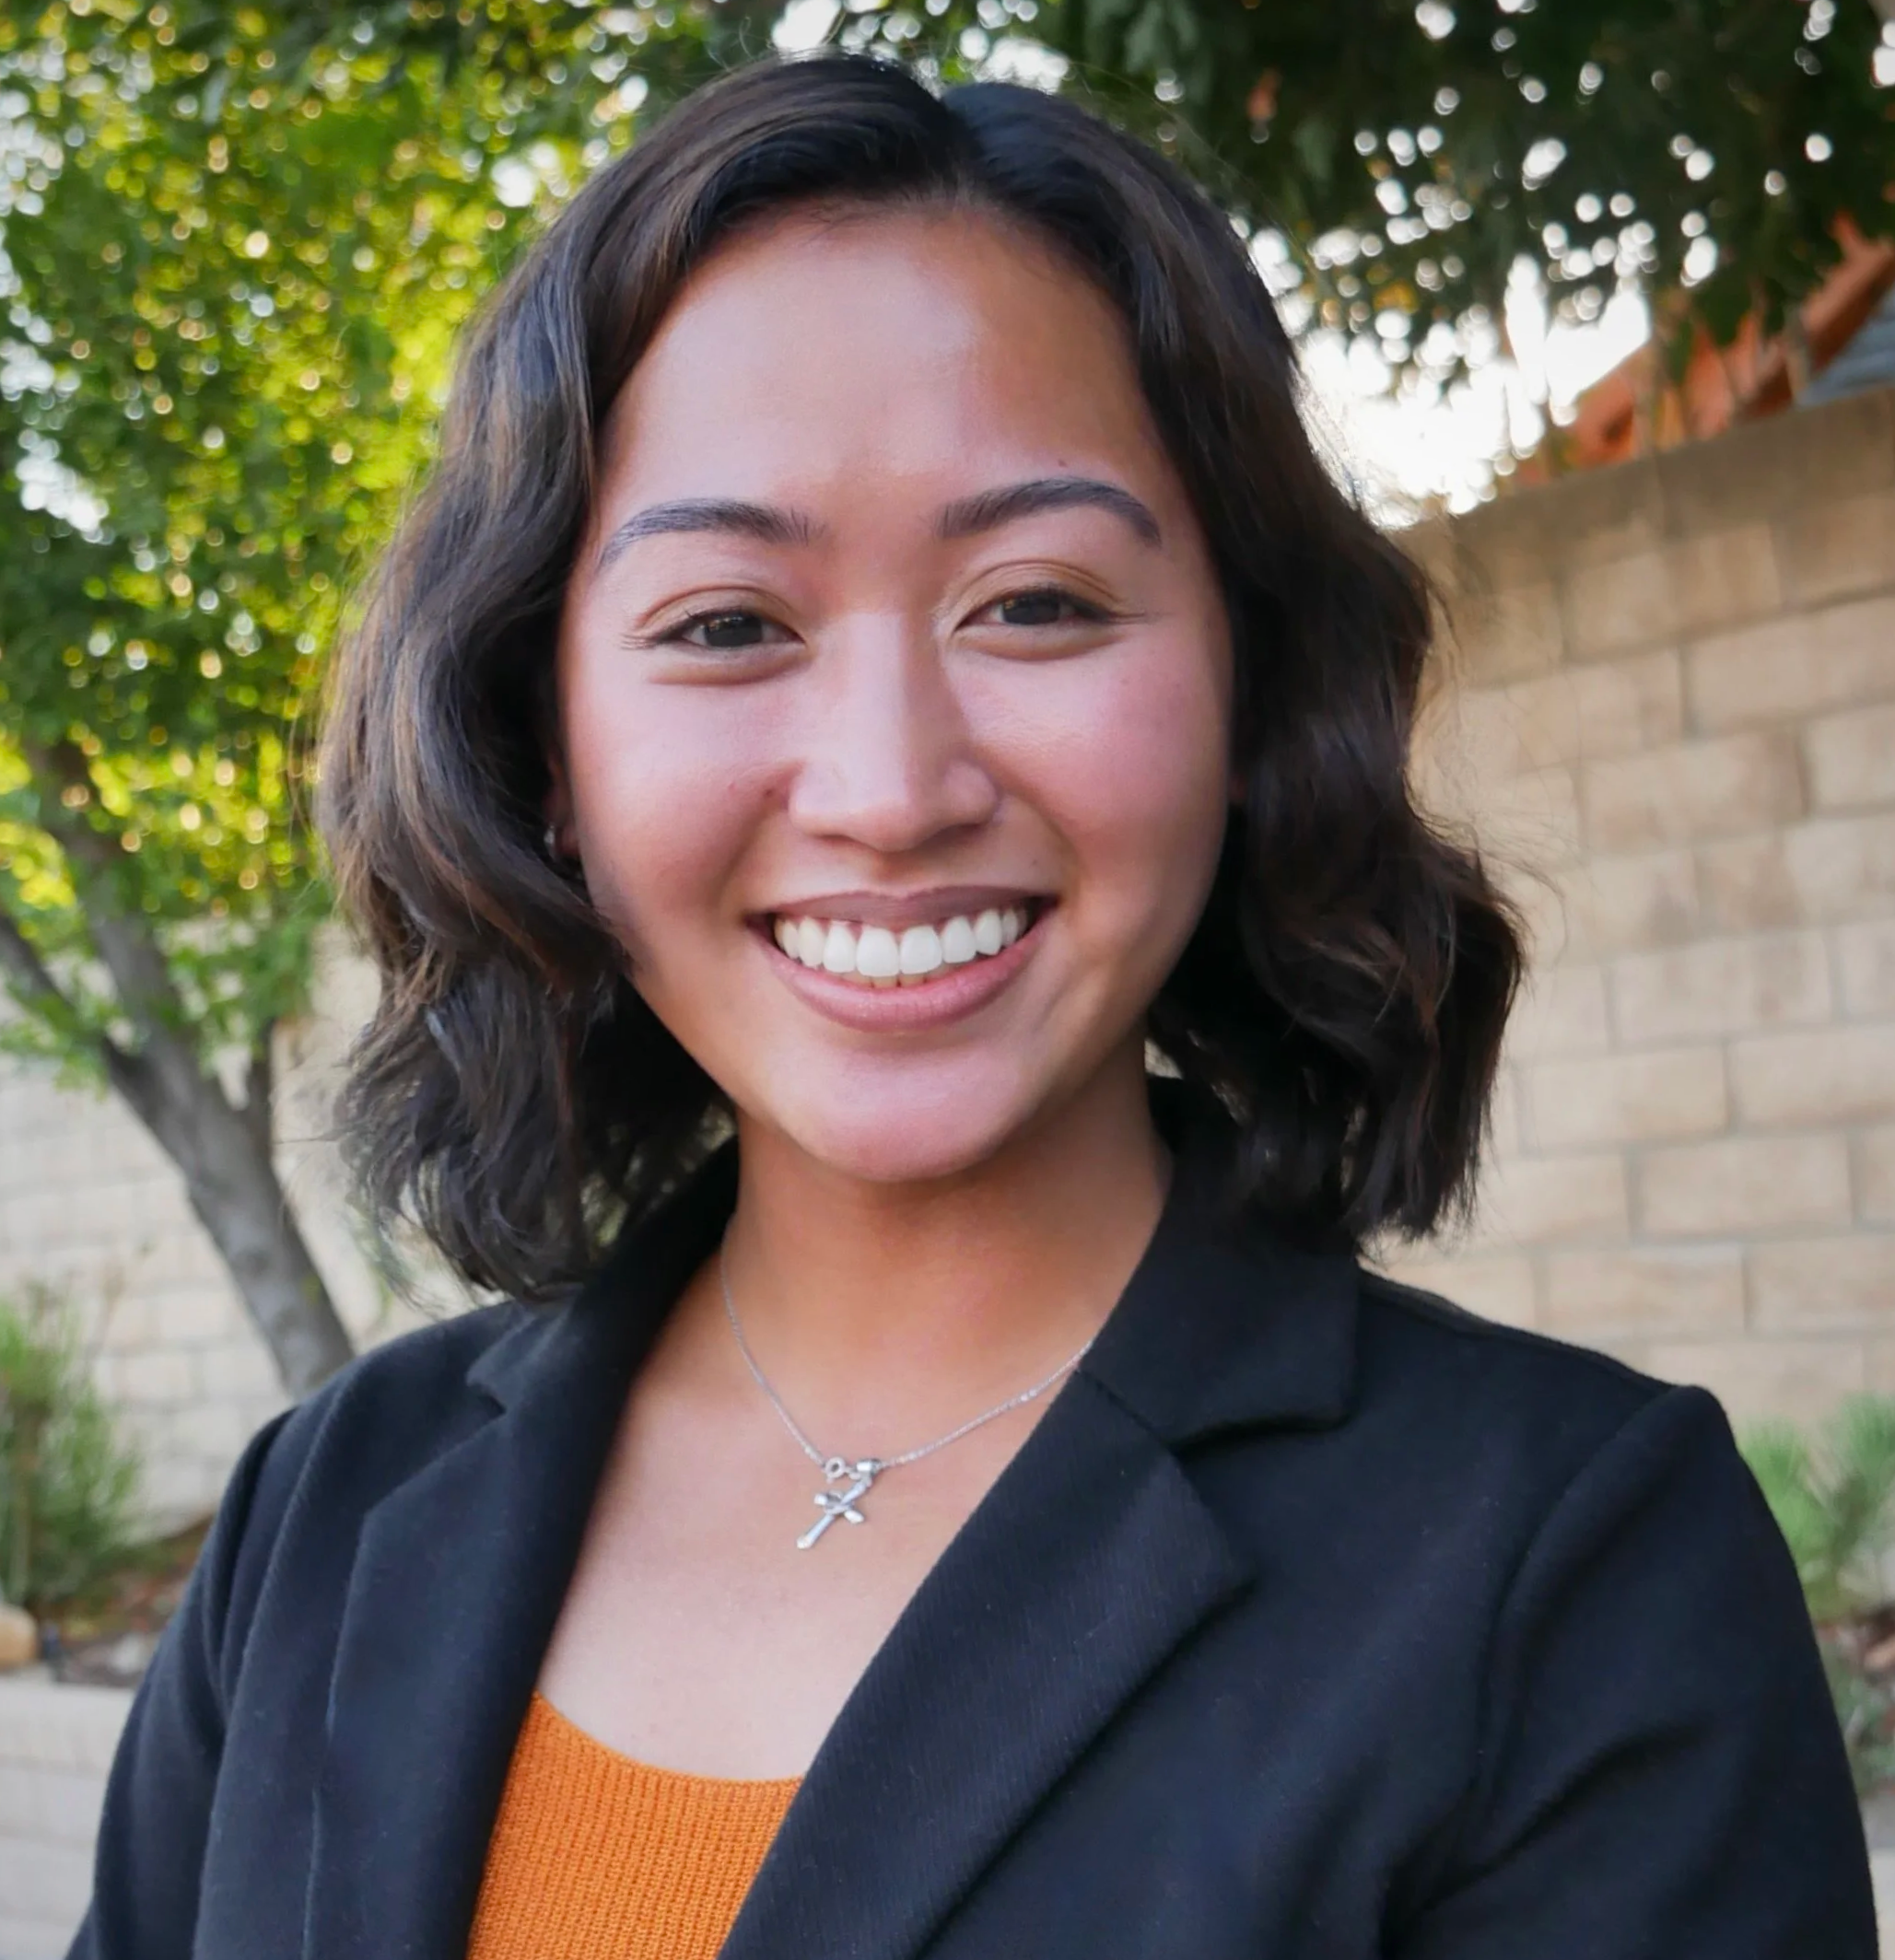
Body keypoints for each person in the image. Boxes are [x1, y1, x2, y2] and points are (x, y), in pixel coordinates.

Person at [71, 52, 1872, 1960]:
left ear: (1252, 698)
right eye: (726, 624)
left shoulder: (1566, 1574)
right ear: (543, 749)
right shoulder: (329, 1512)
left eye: (1033, 602)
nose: (886, 783)